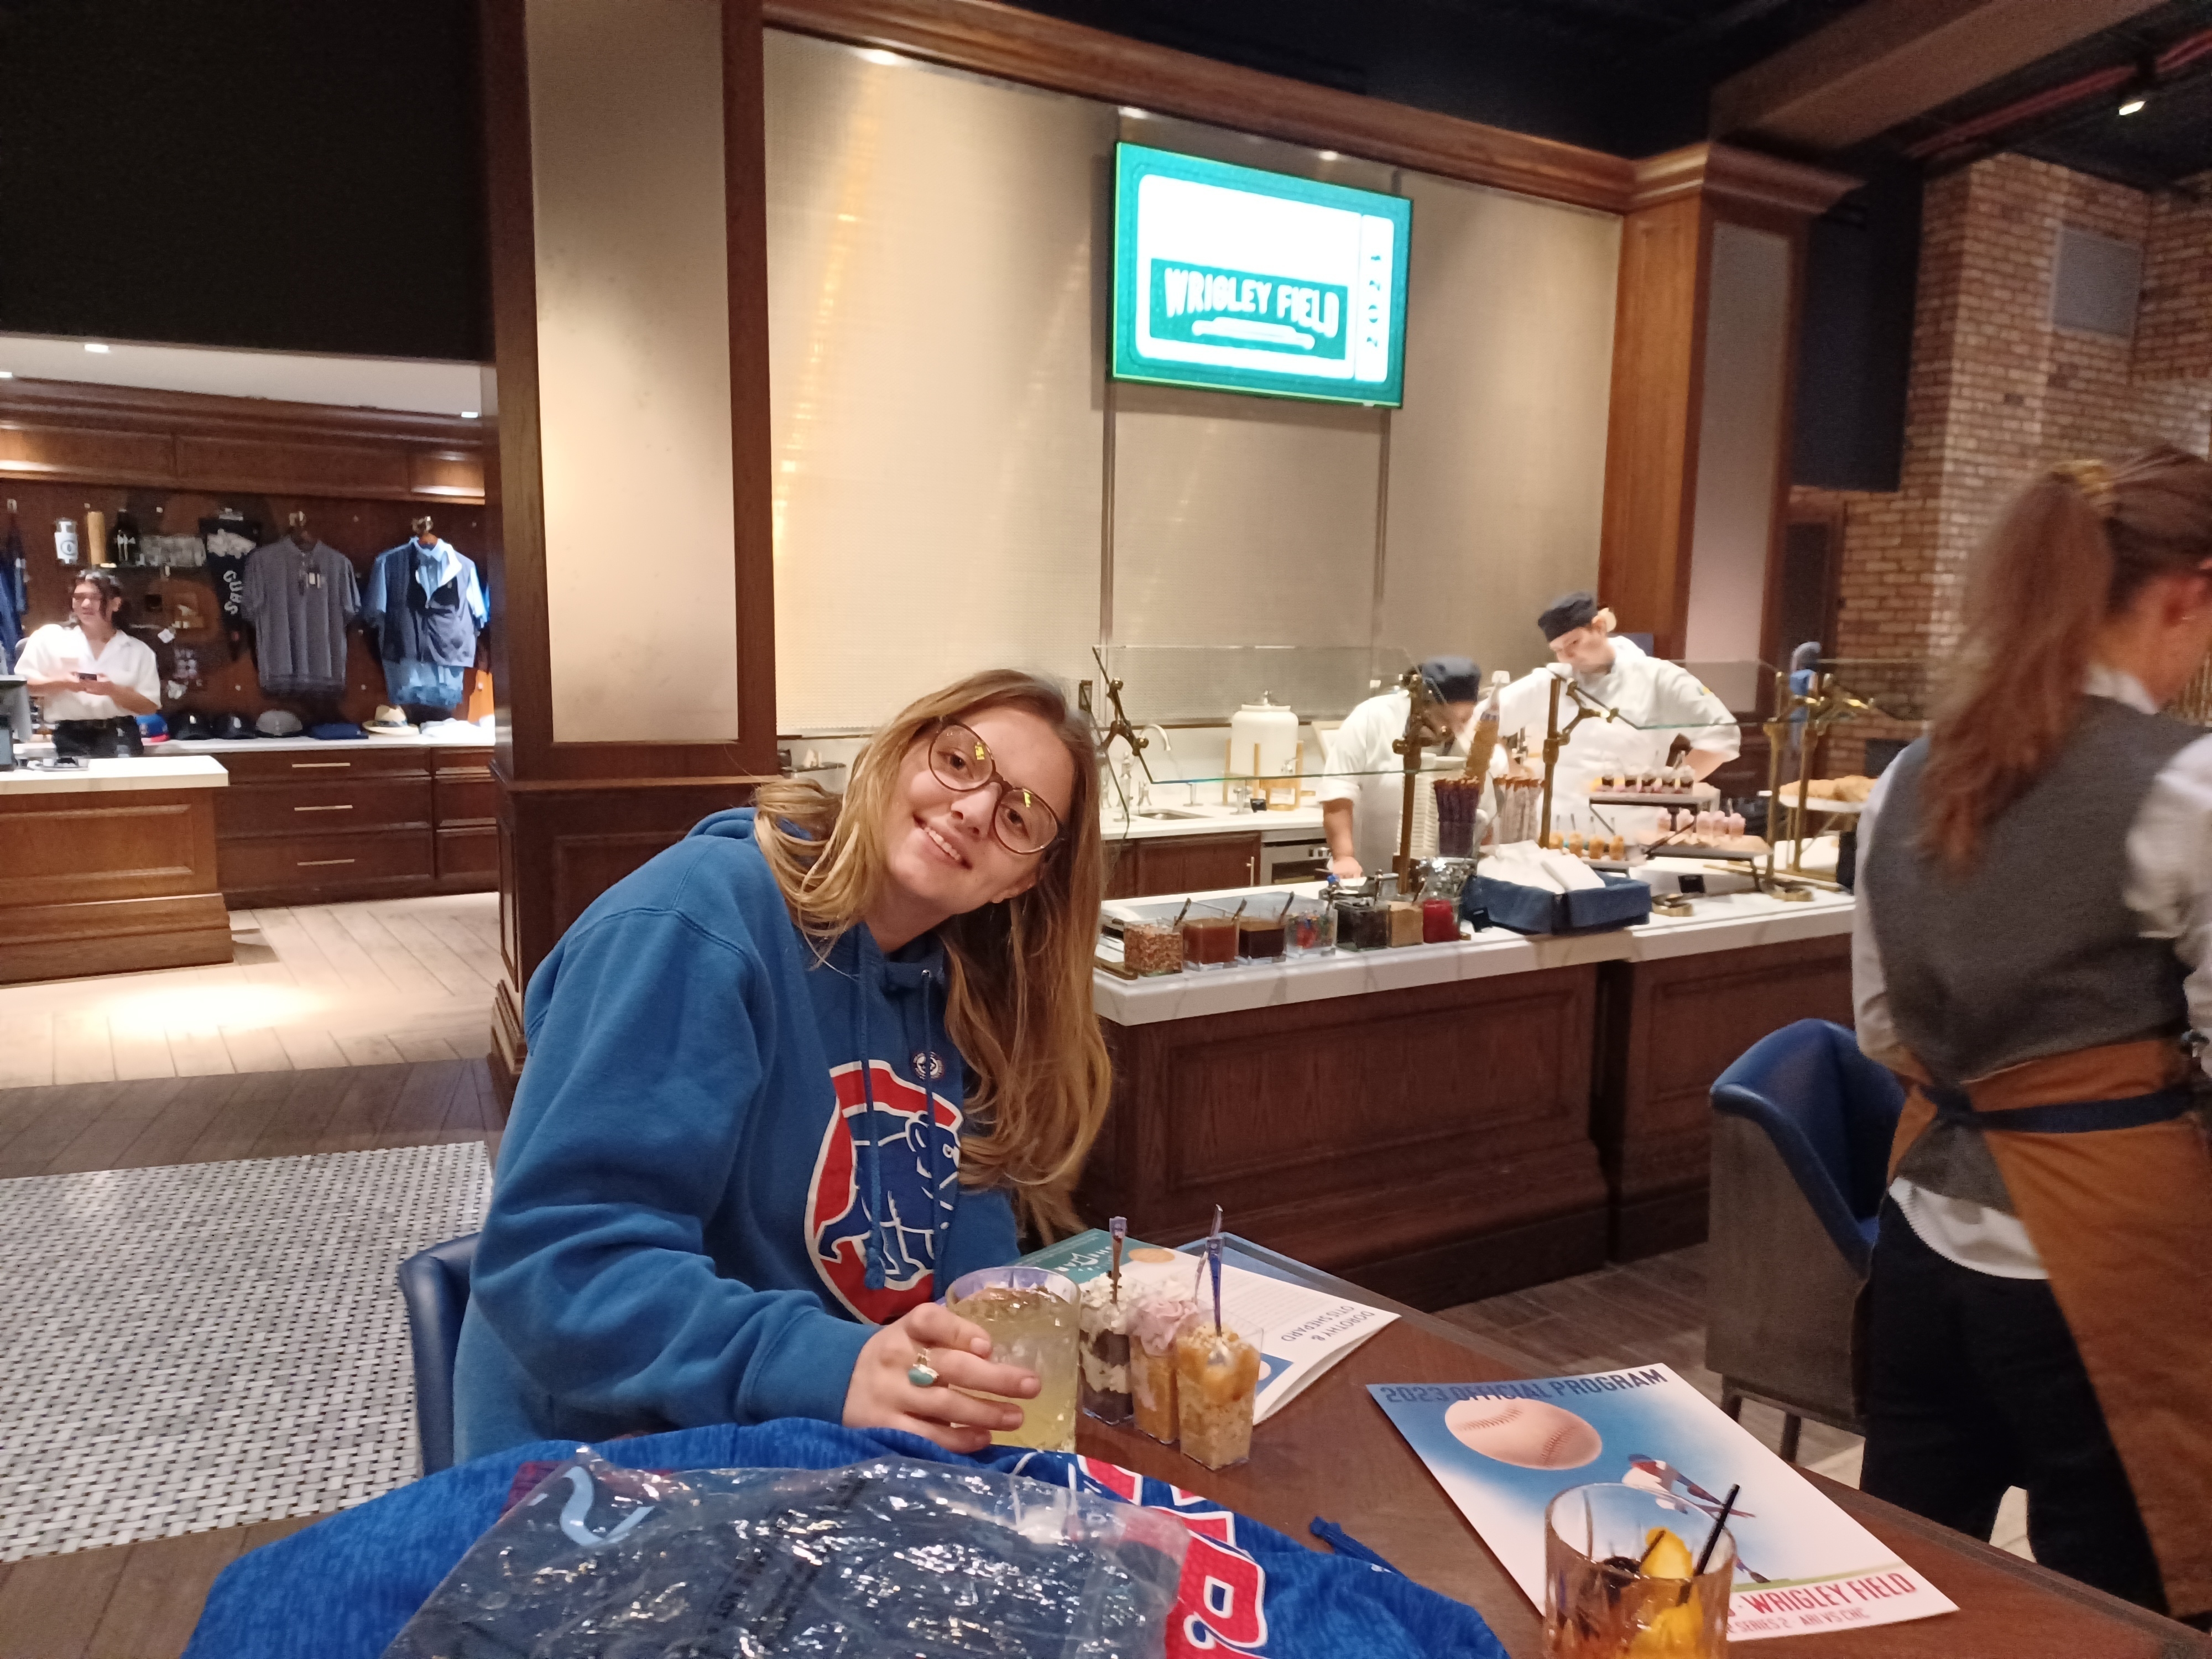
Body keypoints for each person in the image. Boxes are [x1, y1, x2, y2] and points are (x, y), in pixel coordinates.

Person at [453, 670, 1112, 1460]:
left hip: (815, 1454)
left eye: (1018, 818)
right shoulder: (697, 918)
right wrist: (830, 1368)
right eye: (959, 762)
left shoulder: (963, 1005)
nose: (973, 810)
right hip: (600, 1461)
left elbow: (975, 1285)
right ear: (897, 754)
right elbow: (560, 1265)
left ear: (1025, 880)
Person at [1854, 448, 2212, 1626]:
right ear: (2186, 592)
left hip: (1919, 1245)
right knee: (2111, 1610)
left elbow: (1879, 1027)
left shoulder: (1913, 771)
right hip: (2103, 1268)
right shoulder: (2188, 788)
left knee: (1908, 1584)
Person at [1494, 592, 1739, 840]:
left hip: (1634, 833)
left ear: (1599, 627)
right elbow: (1483, 721)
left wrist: (1674, 784)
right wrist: (1513, 769)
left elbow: (1722, 736)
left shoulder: (1659, 678)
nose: (1567, 656)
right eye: (1558, 650)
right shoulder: (1552, 681)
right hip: (1554, 829)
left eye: (1574, 642)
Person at [1316, 655, 1483, 879]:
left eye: (1465, 719)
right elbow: (1338, 792)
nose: (1455, 728)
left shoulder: (1472, 729)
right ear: (1422, 706)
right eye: (1446, 719)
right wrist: (1344, 857)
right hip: (1368, 872)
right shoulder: (1371, 718)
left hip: (1443, 875)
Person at [13, 570, 159, 756]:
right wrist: (64, 683)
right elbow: (20, 687)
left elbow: (149, 706)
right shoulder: (49, 638)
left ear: (116, 604)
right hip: (69, 735)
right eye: (79, 597)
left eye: (96, 598)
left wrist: (111, 690)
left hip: (120, 735)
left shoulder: (137, 650)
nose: (86, 604)